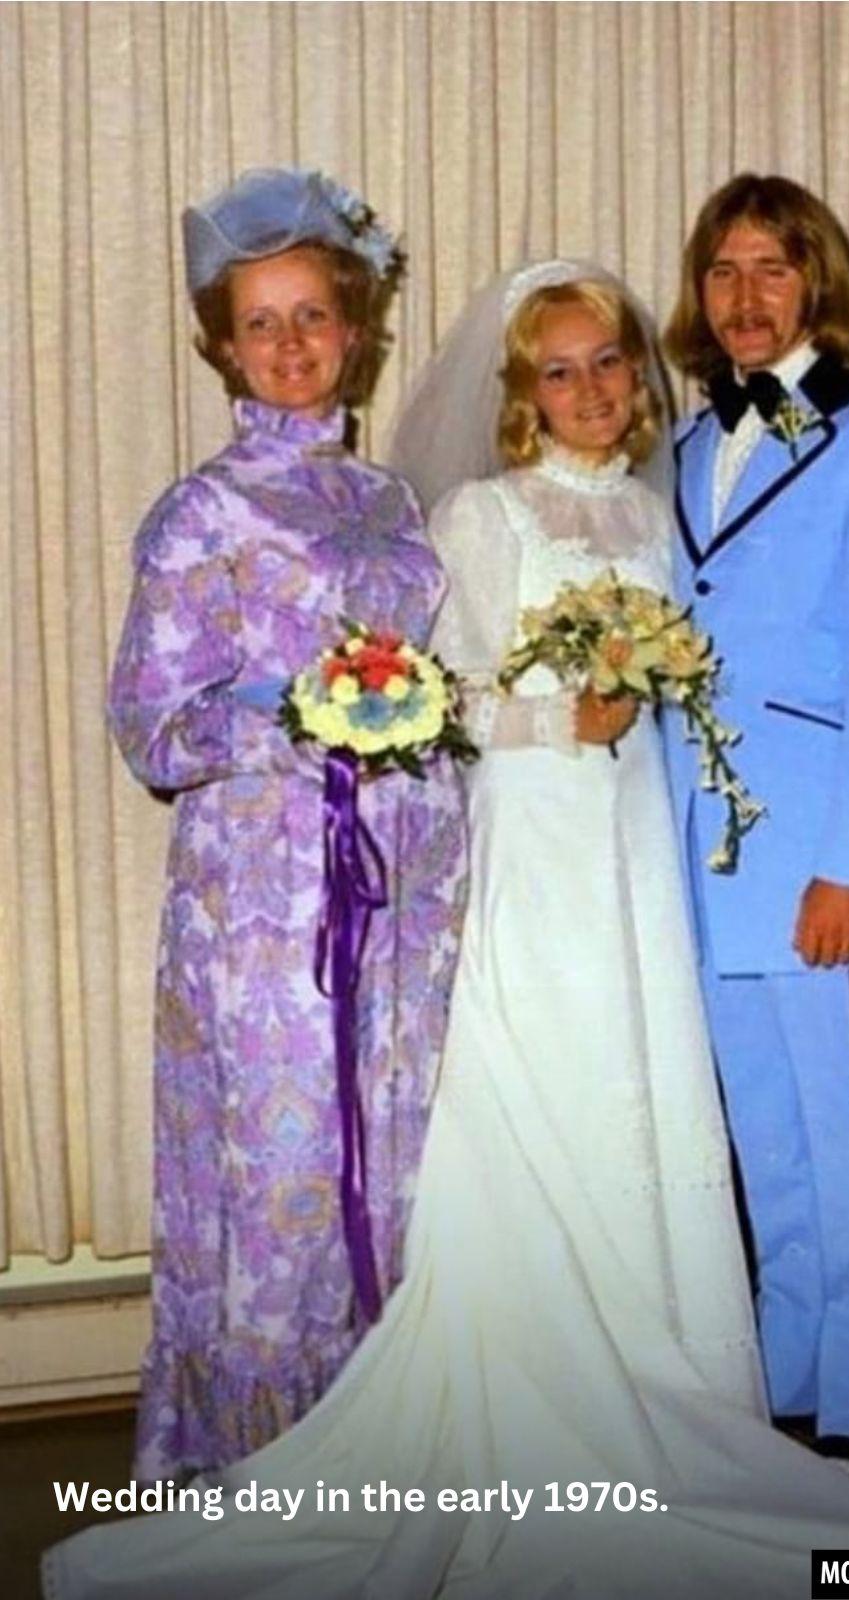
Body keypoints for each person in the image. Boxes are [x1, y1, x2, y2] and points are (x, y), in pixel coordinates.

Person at [45, 259, 849, 1600]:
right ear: (523, 389)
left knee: (649, 1089)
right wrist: (557, 714)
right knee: (541, 1085)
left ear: (639, 377)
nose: (588, 387)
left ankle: (670, 1377)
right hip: (534, 839)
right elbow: (454, 694)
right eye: (558, 368)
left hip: (638, 841)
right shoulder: (479, 515)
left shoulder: (662, 509)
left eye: (608, 362)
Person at [104, 167, 467, 1481]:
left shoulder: (391, 503)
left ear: (355, 330)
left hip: (407, 878)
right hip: (267, 898)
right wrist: (305, 727)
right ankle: (264, 1468)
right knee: (285, 1168)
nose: (292, 343)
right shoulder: (201, 513)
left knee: (399, 1150)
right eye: (261, 323)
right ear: (222, 346)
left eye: (313, 314)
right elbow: (153, 725)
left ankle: (378, 1447)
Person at [662, 174, 849, 1466]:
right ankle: (792, 1400)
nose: (745, 296)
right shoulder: (683, 448)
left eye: (772, 268)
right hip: (705, 866)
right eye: (723, 271)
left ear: (817, 280)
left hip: (819, 866)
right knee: (765, 1152)